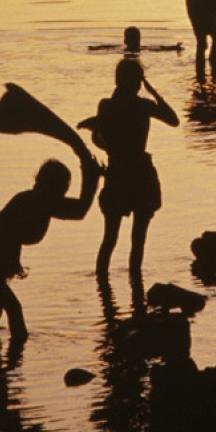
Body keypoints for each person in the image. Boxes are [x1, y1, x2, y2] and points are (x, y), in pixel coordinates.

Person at [0, 148, 100, 346]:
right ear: (51, 185)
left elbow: (79, 210)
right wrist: (91, 176)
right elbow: (80, 210)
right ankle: (17, 357)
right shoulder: (34, 201)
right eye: (63, 186)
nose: (64, 191)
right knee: (13, 307)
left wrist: (91, 175)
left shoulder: (41, 200)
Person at [78, 58, 179, 278]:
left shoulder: (105, 106)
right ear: (138, 82)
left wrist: (110, 151)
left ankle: (103, 287)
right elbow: (174, 120)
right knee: (138, 240)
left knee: (109, 239)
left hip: (117, 174)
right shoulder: (144, 105)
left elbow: (99, 138)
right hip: (141, 175)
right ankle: (136, 288)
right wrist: (153, 92)